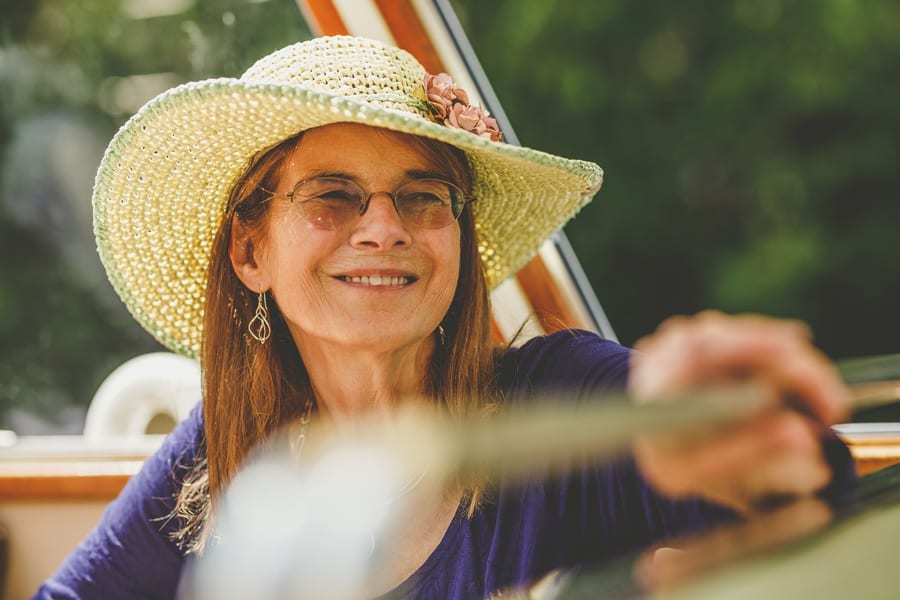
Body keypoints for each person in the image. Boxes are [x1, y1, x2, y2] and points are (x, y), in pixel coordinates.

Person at [35, 35, 854, 599]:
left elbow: (820, 490)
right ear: (250, 255)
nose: (385, 226)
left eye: (424, 197)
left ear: (456, 238)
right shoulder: (225, 443)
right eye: (333, 196)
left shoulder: (562, 401)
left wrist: (729, 428)